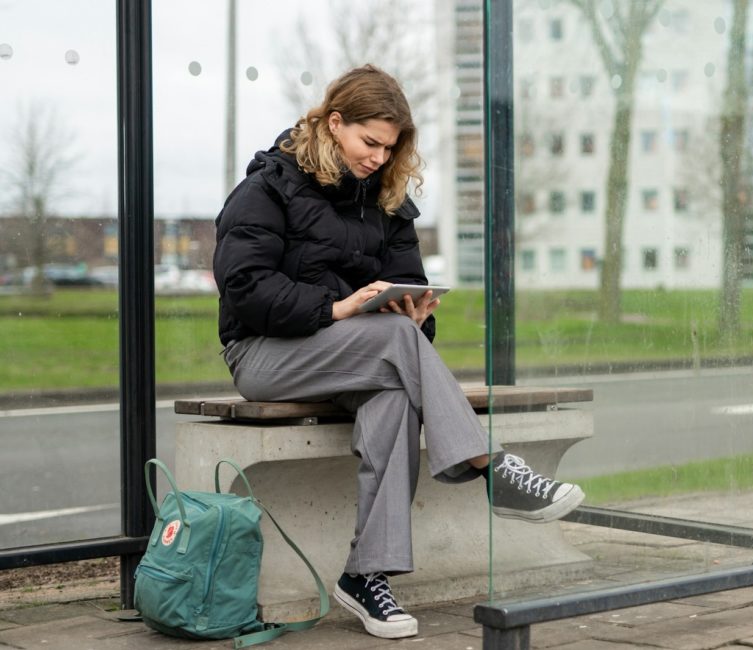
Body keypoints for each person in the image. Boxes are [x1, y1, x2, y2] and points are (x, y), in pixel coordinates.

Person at [212, 64, 584, 640]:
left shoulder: (388, 203)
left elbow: (403, 295)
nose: (380, 159)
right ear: (334, 124)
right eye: (370, 142)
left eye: (390, 148)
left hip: (357, 355)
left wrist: (412, 315)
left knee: (391, 400)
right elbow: (245, 288)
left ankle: (367, 574)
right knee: (392, 351)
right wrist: (335, 309)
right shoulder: (267, 188)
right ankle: (494, 468)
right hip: (265, 354)